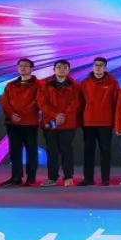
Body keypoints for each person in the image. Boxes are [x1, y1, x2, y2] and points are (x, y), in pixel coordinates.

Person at [36, 59, 82, 187]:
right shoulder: (45, 85)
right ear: (54, 70)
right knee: (52, 150)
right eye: (59, 67)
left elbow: (75, 103)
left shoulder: (75, 86)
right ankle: (52, 178)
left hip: (67, 123)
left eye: (65, 67)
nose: (62, 69)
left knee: (67, 150)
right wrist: (56, 115)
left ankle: (68, 177)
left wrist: (63, 115)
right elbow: (42, 103)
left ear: (69, 70)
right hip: (50, 122)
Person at [0, 57, 40, 186]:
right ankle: (16, 177)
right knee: (14, 151)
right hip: (13, 123)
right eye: (20, 65)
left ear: (32, 69)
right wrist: (11, 114)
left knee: (31, 152)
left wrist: (22, 114)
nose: (23, 68)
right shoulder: (10, 85)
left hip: (30, 123)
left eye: (26, 65)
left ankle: (31, 177)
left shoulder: (39, 85)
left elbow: (38, 102)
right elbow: (4, 101)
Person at [79, 56, 119, 186]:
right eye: (96, 65)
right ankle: (88, 179)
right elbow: (80, 103)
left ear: (105, 68)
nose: (98, 67)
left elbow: (115, 103)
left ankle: (105, 178)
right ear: (93, 67)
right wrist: (80, 121)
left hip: (105, 123)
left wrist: (115, 122)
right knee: (88, 152)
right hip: (88, 122)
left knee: (105, 151)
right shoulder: (85, 83)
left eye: (101, 65)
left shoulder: (113, 83)